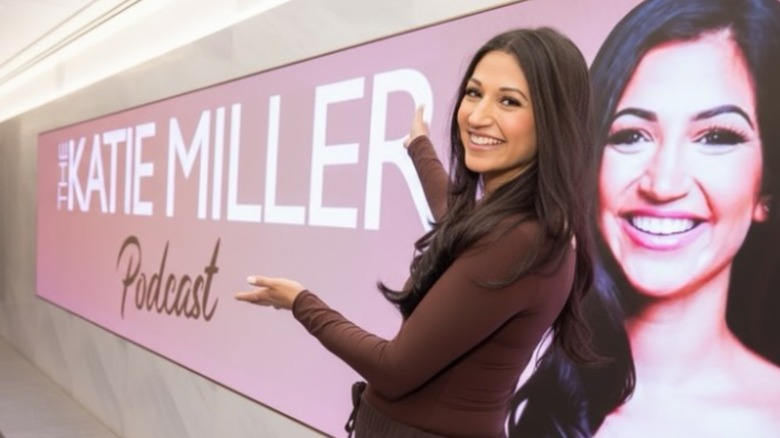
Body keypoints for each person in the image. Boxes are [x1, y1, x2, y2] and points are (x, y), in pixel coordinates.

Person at [236, 27, 630, 437]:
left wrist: (301, 303)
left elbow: (393, 370)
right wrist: (418, 146)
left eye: (509, 101)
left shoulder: (521, 240)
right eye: (474, 93)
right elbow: (457, 217)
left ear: (553, 119)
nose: (477, 116)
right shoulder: (518, 225)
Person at [512, 0, 780, 436]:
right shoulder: (524, 368)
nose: (663, 183)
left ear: (767, 188)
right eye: (631, 135)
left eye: (715, 137)